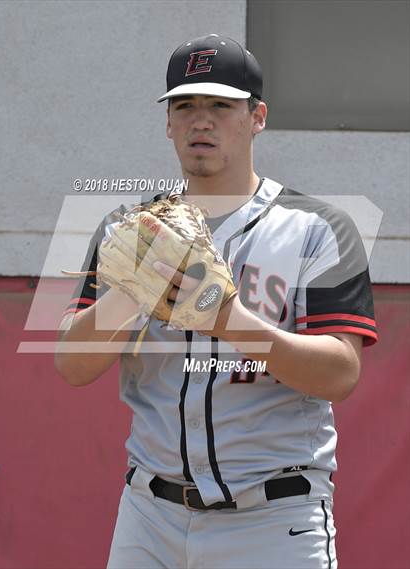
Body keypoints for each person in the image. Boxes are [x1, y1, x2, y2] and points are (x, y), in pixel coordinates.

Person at [56, 34, 378, 569]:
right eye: (185, 105)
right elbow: (72, 364)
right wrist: (135, 292)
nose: (200, 121)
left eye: (220, 106)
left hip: (274, 519)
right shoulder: (128, 231)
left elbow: (341, 373)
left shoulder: (318, 227)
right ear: (168, 122)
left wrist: (225, 317)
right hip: (149, 515)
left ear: (257, 117)